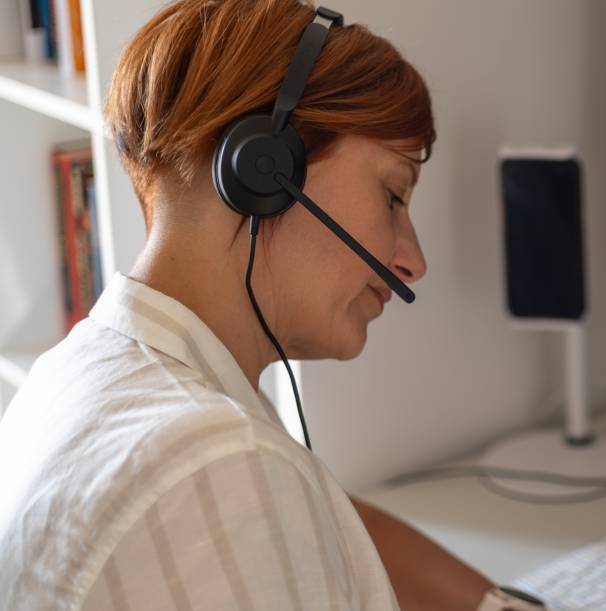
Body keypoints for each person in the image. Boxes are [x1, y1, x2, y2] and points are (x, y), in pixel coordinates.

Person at [0, 0, 501, 609]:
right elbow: (236, 477)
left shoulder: (82, 372)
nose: (411, 261)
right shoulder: (217, 463)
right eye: (393, 195)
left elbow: (338, 519)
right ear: (265, 169)